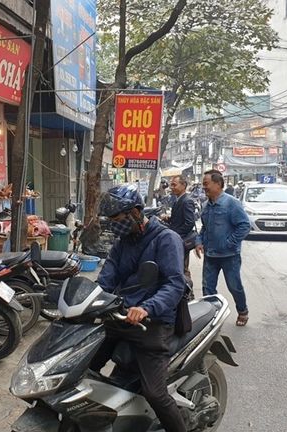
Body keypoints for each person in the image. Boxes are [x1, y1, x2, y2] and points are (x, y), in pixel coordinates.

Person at [93, 184, 188, 432]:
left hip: (152, 323)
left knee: (155, 394)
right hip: (120, 317)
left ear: (136, 212)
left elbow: (175, 285)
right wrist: (89, 299)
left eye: (118, 219)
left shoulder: (167, 239)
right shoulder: (123, 242)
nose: (115, 225)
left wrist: (147, 307)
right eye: (111, 220)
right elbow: (107, 277)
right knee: (84, 366)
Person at [194, 169, 251, 326]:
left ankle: (243, 311)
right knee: (207, 289)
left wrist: (229, 243)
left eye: (206, 184)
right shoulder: (206, 205)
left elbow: (245, 226)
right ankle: (211, 316)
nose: (203, 187)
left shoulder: (232, 203)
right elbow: (204, 228)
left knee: (234, 286)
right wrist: (198, 242)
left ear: (218, 184)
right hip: (210, 256)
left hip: (229, 256)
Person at [167, 175, 198, 290]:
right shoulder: (178, 200)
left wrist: (173, 233)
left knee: (183, 268)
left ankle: (188, 293)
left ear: (183, 185)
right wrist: (168, 218)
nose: (172, 187)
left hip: (181, 240)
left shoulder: (187, 201)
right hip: (177, 239)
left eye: (174, 185)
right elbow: (178, 219)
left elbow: (189, 223)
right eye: (171, 185)